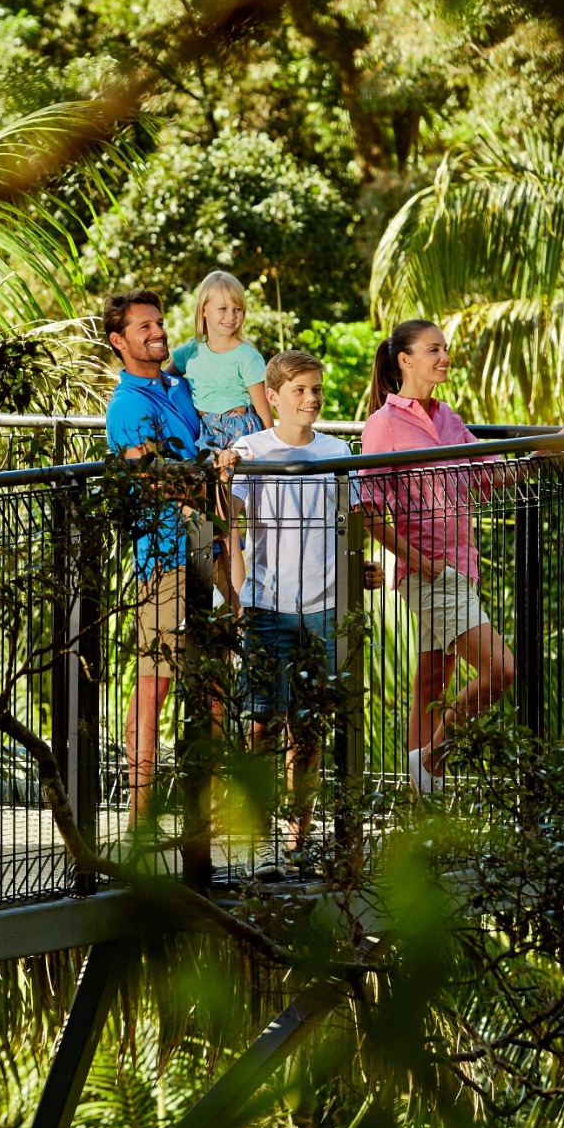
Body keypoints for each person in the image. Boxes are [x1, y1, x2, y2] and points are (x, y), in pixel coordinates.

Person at [356, 319, 516, 794]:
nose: (444, 357)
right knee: (501, 670)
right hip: (428, 573)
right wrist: (418, 562)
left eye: (444, 349)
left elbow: (489, 474)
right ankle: (433, 762)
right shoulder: (383, 426)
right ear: (405, 361)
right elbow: (367, 509)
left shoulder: (448, 417)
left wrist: (553, 449)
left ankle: (419, 801)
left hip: (460, 565)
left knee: (430, 686)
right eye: (433, 350)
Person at [228, 349, 370, 852]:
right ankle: (255, 824)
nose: (310, 399)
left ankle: (297, 832)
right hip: (269, 600)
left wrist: (362, 569)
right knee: (263, 720)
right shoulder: (252, 448)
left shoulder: (337, 452)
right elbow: (228, 516)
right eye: (299, 390)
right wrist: (222, 473)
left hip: (327, 606)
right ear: (272, 397)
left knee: (310, 726)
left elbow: (353, 524)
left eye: (316, 389)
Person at [102, 288, 230, 828]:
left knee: (219, 677)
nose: (157, 333)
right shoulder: (127, 404)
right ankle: (141, 814)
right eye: (143, 327)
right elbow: (153, 478)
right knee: (156, 681)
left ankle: (218, 809)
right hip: (166, 558)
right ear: (119, 340)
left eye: (158, 323)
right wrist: (212, 474)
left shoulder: (180, 386)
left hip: (215, 548)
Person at [169, 270, 273, 451]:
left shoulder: (247, 356)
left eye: (237, 309)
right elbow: (158, 378)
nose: (231, 316)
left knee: (238, 479)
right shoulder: (190, 351)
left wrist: (273, 451)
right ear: (204, 310)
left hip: (240, 431)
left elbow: (264, 412)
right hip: (203, 431)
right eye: (223, 308)